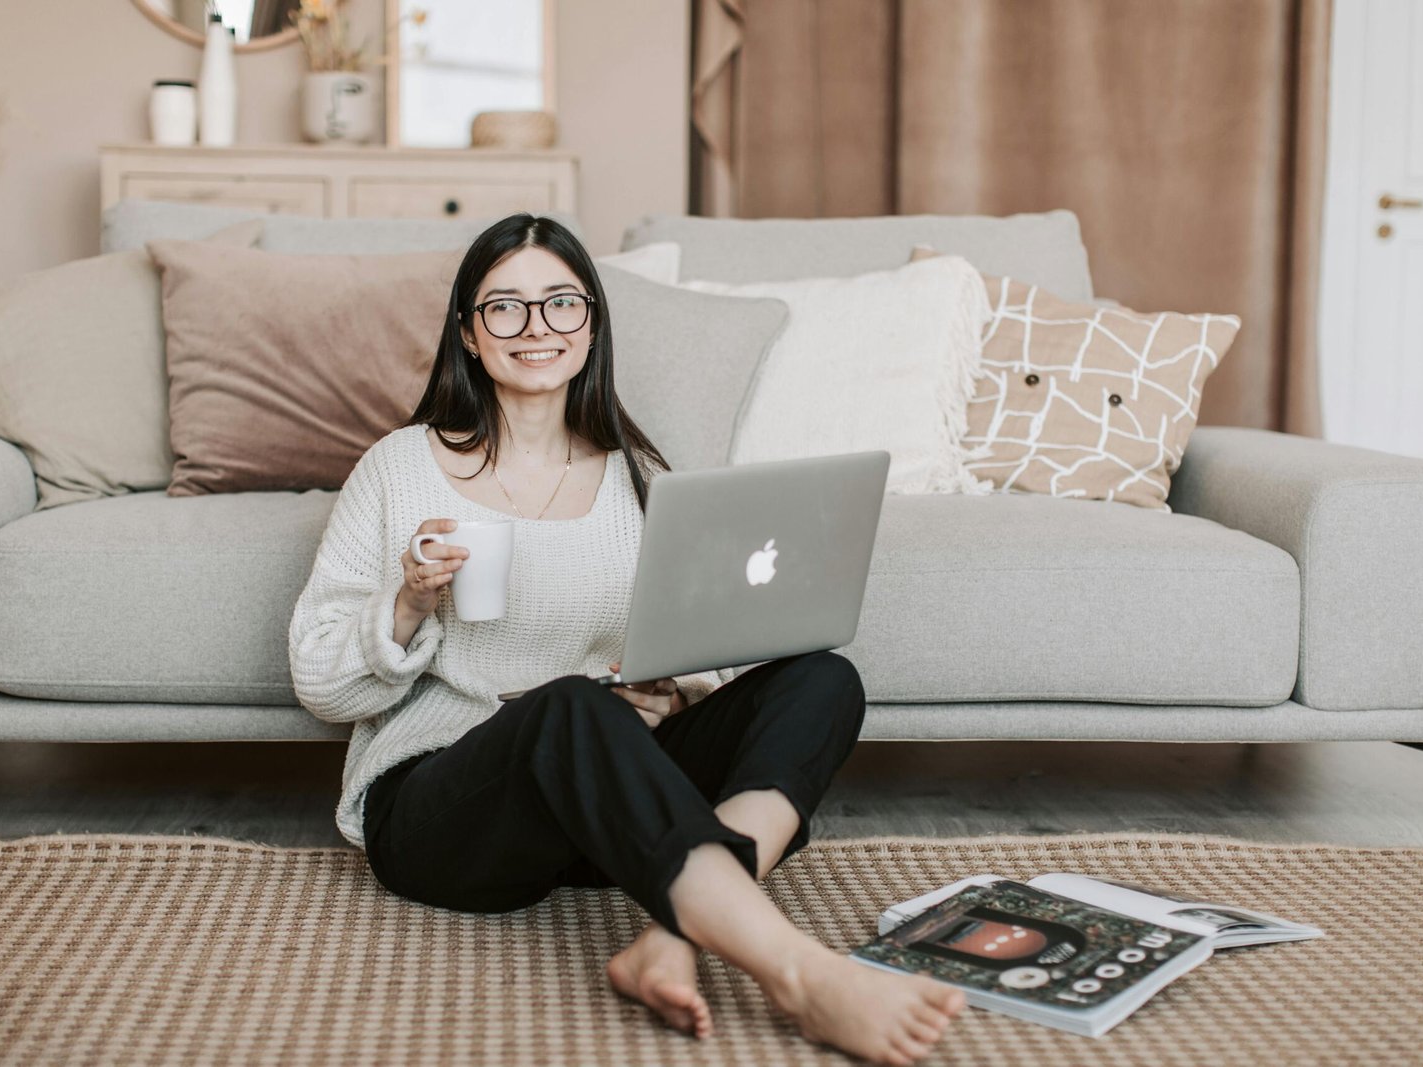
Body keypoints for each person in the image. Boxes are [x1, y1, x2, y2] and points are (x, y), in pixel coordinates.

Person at [288, 213, 967, 1065]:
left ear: (592, 324)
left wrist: (671, 696)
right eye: (505, 308)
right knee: (570, 707)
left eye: (561, 304)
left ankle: (675, 930)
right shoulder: (401, 465)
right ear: (467, 331)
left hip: (595, 802)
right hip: (443, 813)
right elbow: (319, 681)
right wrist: (409, 603)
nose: (536, 328)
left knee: (821, 679)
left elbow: (691, 653)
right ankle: (796, 971)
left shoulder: (641, 477)